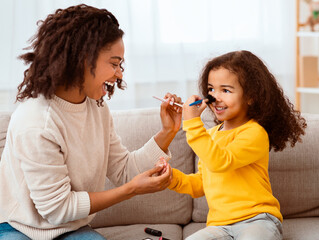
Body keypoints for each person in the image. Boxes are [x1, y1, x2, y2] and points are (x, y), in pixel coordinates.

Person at [0, 4, 182, 240]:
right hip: (18, 227)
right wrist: (131, 190)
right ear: (82, 59)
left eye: (121, 65)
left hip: (67, 228)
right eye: (114, 63)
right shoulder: (36, 121)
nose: (120, 74)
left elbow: (124, 170)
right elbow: (57, 209)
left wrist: (168, 131)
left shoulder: (97, 108)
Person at [167, 50, 307, 240]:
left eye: (225, 90)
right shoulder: (210, 136)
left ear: (251, 96)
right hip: (219, 226)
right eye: (211, 89)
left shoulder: (254, 133)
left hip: (256, 220)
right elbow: (202, 182)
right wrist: (171, 178)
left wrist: (192, 123)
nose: (215, 97)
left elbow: (220, 162)